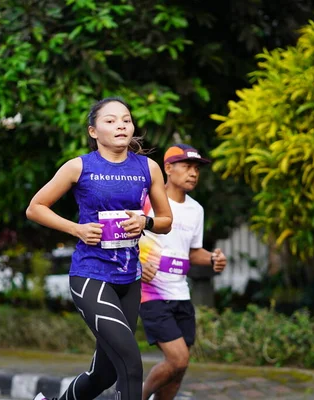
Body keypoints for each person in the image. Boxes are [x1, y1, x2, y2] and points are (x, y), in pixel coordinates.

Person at [27, 97, 173, 400]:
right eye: (110, 120)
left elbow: (166, 221)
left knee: (105, 372)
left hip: (129, 280)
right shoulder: (79, 166)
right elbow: (35, 208)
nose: (121, 125)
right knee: (131, 364)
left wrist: (144, 222)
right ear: (93, 131)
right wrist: (76, 229)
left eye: (126, 119)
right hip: (91, 275)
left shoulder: (149, 168)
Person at [138, 144, 227, 400]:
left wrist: (211, 258)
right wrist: (137, 264)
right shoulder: (146, 202)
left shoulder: (196, 210)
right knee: (178, 359)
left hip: (181, 293)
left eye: (197, 169)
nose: (193, 173)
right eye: (187, 166)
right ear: (167, 168)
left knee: (180, 369)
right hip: (151, 293)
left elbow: (192, 252)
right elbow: (124, 239)